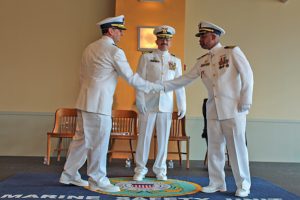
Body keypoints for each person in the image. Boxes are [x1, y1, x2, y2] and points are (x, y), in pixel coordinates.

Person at [59, 15, 163, 193]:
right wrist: (153, 86)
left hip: (84, 101)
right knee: (98, 142)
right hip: (99, 104)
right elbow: (130, 77)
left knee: (81, 140)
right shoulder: (115, 51)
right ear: (110, 30)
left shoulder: (89, 48)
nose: (121, 34)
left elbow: (82, 76)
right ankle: (97, 179)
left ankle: (69, 174)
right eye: (119, 30)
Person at [163, 21, 253, 197]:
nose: (200, 40)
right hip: (213, 110)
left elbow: (248, 75)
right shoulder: (202, 61)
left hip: (234, 109)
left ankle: (243, 184)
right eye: (200, 37)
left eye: (203, 36)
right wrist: (162, 86)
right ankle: (217, 182)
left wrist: (246, 100)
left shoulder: (231, 52)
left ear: (214, 36)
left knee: (236, 148)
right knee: (214, 148)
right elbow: (185, 79)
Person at [133, 25, 186, 181]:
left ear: (171, 41)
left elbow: (179, 84)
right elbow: (139, 81)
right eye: (162, 38)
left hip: (166, 105)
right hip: (148, 105)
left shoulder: (175, 60)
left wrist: (182, 104)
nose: (164, 41)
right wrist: (139, 100)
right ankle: (140, 169)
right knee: (144, 137)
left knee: (163, 139)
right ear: (156, 40)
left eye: (167, 39)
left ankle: (160, 169)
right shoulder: (146, 57)